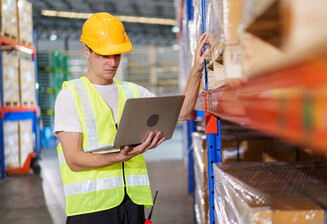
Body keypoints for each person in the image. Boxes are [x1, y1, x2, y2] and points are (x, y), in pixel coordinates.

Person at [53, 12, 210, 224]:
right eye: (104, 55)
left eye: (117, 55)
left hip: (133, 205)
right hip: (91, 209)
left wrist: (197, 68)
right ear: (86, 51)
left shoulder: (134, 92)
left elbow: (181, 113)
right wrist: (121, 157)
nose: (112, 62)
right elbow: (74, 160)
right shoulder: (70, 96)